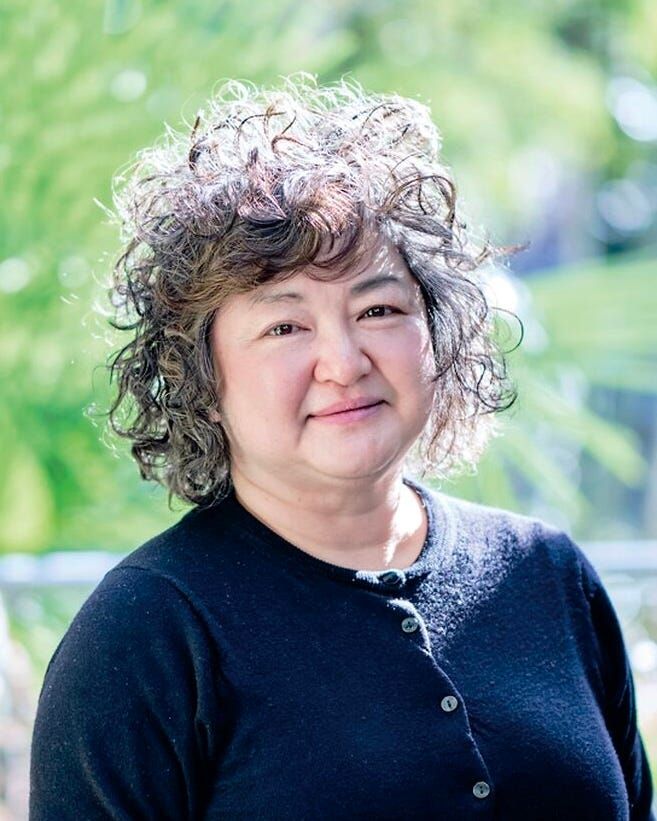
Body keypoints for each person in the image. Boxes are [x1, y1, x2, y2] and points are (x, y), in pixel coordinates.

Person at [29, 73, 654, 820]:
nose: (344, 361)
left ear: (436, 333)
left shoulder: (547, 577)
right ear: (202, 377)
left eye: (378, 309)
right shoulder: (148, 633)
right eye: (285, 326)